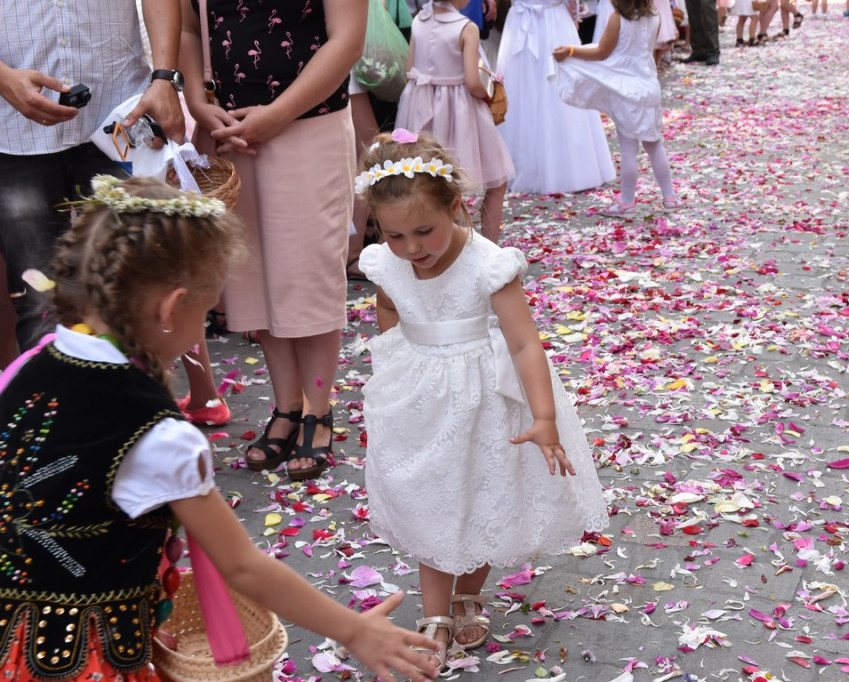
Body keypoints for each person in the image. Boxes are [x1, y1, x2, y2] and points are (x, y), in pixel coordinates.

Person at [0, 176, 439, 682]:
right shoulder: (158, 436)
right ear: (170, 308)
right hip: (83, 659)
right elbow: (242, 566)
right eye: (208, 310)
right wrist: (355, 630)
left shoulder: (29, 366)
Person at [355, 131, 608, 669]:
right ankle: (435, 613)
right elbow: (391, 313)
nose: (412, 248)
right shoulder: (387, 261)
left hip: (487, 397)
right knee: (434, 501)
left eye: (424, 230)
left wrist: (543, 417)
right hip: (423, 399)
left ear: (455, 206)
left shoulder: (487, 264)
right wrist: (397, 368)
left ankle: (469, 589)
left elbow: (523, 341)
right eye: (395, 234)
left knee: (482, 496)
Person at [179, 0, 364, 481]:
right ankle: (287, 406)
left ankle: (317, 410)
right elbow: (188, 28)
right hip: (232, 131)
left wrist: (276, 115)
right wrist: (199, 103)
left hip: (309, 122)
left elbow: (347, 40)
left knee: (309, 271)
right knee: (255, 276)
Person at [0, 0, 186, 354]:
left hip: (119, 117)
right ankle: (55, 407)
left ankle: (133, 406)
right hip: (13, 131)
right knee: (38, 303)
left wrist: (164, 78)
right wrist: (4, 79)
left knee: (136, 289)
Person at [395, 0, 515, 241]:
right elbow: (472, 81)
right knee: (496, 180)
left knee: (436, 181)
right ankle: (488, 248)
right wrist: (489, 93)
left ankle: (448, 247)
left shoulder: (419, 20)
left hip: (420, 102)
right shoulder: (466, 28)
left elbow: (409, 68)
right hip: (458, 110)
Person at [551, 0, 681, 215]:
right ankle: (670, 198)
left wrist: (572, 51)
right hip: (649, 85)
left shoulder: (618, 19)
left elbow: (602, 52)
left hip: (626, 89)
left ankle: (627, 201)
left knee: (629, 149)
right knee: (655, 145)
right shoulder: (655, 16)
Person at [496, 0, 617, 194]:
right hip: (547, 21)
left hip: (533, 21)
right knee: (538, 88)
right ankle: (567, 168)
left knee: (530, 88)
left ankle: (522, 167)